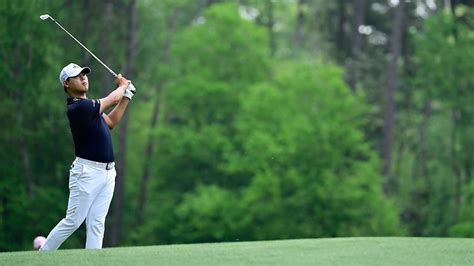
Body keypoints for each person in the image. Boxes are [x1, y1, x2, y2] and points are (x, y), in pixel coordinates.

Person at [39, 63, 136, 250]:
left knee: (97, 223)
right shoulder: (78, 108)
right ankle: (43, 254)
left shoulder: (91, 108)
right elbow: (112, 99)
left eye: (84, 74)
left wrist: (127, 96)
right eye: (78, 76)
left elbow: (111, 121)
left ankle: (93, 261)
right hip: (87, 173)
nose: (84, 78)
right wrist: (123, 86)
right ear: (67, 83)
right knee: (73, 221)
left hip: (108, 173)